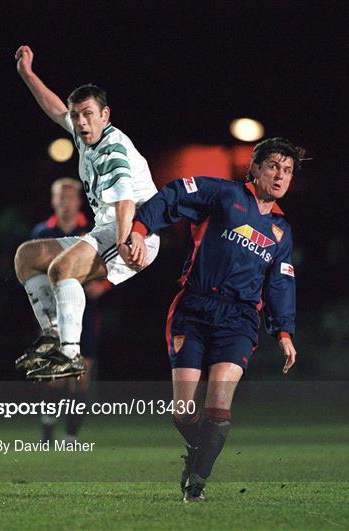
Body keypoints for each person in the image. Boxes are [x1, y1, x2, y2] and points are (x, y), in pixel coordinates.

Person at [128, 137, 301, 502]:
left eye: (287, 170)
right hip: (194, 308)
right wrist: (141, 229)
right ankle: (200, 452)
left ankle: (197, 483)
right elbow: (174, 195)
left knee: (219, 406)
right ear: (254, 168)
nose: (280, 175)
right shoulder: (223, 195)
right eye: (273, 166)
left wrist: (283, 330)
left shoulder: (282, 232)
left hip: (238, 320)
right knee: (183, 413)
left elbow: (280, 282)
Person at [13, 45, 159, 380]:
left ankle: (70, 354)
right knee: (27, 257)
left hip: (136, 233)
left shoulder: (113, 148)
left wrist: (125, 242)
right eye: (76, 115)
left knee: (62, 268)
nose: (80, 121)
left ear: (105, 115)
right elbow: (54, 110)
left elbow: (124, 202)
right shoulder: (84, 136)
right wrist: (28, 74)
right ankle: (52, 333)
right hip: (108, 229)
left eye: (88, 114)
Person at [30, 178, 109, 442]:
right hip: (53, 314)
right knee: (56, 378)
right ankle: (48, 423)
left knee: (80, 374)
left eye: (70, 198)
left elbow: (111, 264)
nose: (65, 203)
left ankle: (72, 436)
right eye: (60, 198)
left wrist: (102, 285)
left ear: (78, 201)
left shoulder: (93, 231)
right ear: (54, 201)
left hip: (85, 311)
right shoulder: (42, 232)